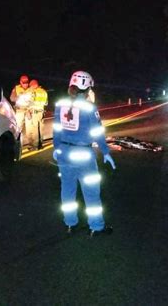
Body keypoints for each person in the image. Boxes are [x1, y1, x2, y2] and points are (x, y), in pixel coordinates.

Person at [52, 70, 116, 237]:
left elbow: (57, 130)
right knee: (91, 192)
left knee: (67, 190)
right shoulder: (89, 107)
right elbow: (97, 132)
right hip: (84, 155)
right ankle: (96, 226)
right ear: (87, 88)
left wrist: (56, 148)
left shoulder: (60, 104)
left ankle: (70, 224)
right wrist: (106, 152)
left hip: (64, 153)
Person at [26, 79, 48, 150]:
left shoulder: (33, 92)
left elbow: (30, 102)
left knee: (35, 130)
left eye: (31, 86)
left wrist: (28, 110)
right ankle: (40, 144)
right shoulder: (44, 92)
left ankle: (35, 146)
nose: (30, 87)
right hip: (41, 112)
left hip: (34, 112)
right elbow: (46, 103)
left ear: (33, 85)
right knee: (40, 129)